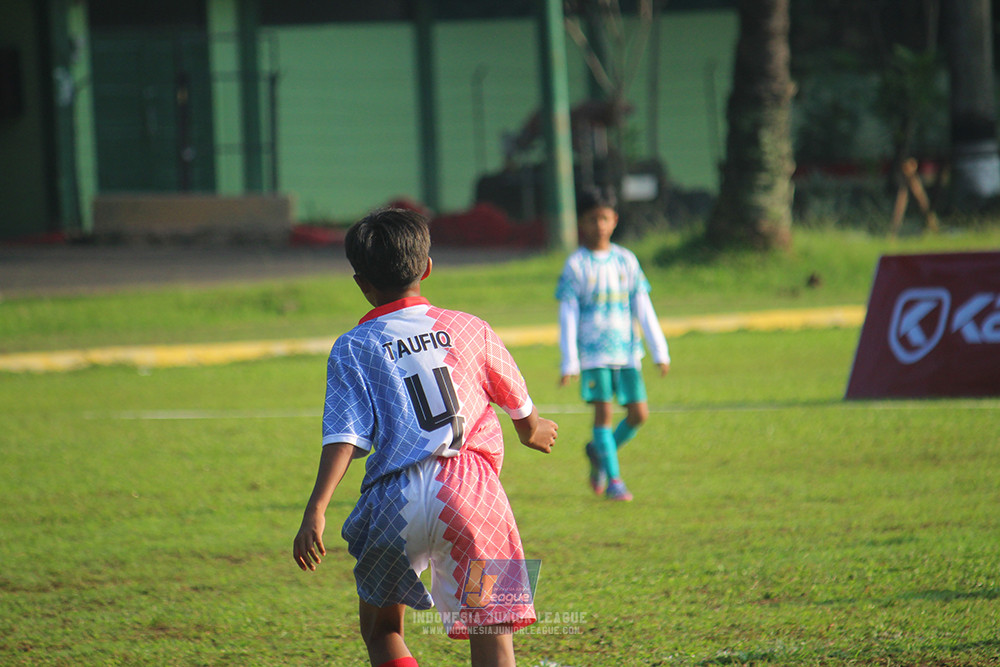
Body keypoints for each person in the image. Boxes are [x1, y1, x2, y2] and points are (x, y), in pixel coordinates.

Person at [293, 207, 558, 667]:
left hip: (393, 500)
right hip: (472, 496)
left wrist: (317, 506)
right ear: (428, 267)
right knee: (491, 626)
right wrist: (533, 430)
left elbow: (346, 434)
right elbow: (518, 405)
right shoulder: (470, 327)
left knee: (382, 630)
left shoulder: (354, 345)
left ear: (361, 284)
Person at [556, 186, 670, 501]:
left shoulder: (626, 261)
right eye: (592, 219)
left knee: (639, 414)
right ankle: (615, 481)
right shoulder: (576, 265)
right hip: (594, 355)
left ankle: (599, 452)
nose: (599, 225)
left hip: (628, 353)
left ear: (615, 220)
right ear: (582, 222)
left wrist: (659, 350)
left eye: (605, 218)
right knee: (603, 415)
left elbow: (643, 307)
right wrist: (570, 361)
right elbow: (567, 313)